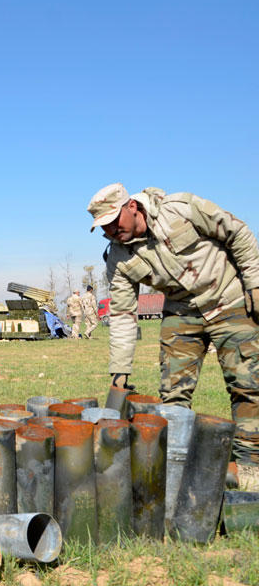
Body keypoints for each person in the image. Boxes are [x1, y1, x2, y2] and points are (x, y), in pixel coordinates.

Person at [88, 182, 259, 488]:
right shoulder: (118, 257)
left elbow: (237, 232)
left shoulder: (180, 209)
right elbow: (123, 315)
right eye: (104, 227)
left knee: (247, 384)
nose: (112, 231)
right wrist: (120, 370)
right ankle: (178, 463)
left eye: (115, 221)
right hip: (181, 312)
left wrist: (255, 282)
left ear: (132, 207)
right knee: (173, 396)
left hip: (228, 298)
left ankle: (249, 466)